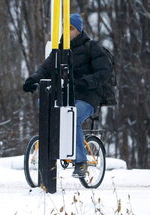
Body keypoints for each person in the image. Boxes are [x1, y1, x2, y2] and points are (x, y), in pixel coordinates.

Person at [22, 13, 111, 178]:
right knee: (46, 108)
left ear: (78, 30)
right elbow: (45, 68)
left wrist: (85, 82)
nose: (67, 31)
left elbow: (104, 72)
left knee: (72, 116)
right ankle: (54, 148)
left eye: (71, 28)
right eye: (65, 28)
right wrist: (32, 80)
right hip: (66, 94)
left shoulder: (91, 47)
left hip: (87, 96)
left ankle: (81, 162)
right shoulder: (59, 49)